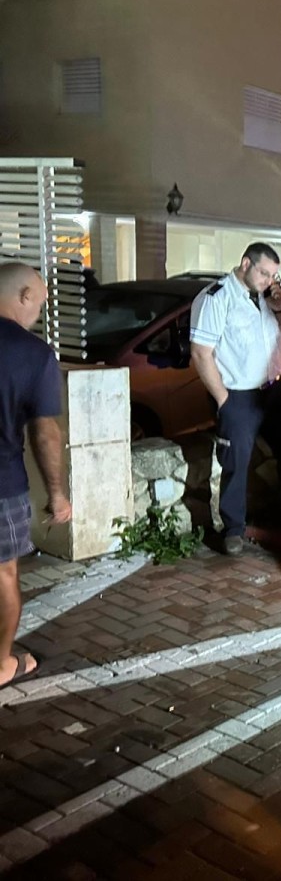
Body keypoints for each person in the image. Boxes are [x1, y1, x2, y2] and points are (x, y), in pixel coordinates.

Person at [189, 243, 281, 556]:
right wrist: (223, 400)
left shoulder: (268, 298)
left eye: (273, 275)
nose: (269, 280)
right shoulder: (217, 297)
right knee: (236, 462)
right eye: (264, 273)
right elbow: (201, 354)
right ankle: (233, 529)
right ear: (245, 263)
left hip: (272, 391)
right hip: (238, 394)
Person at [0, 263, 73, 690]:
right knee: (4, 574)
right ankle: (3, 664)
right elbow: (45, 431)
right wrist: (58, 495)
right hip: (2, 485)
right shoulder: (33, 354)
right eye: (40, 305)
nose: (38, 316)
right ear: (23, 295)